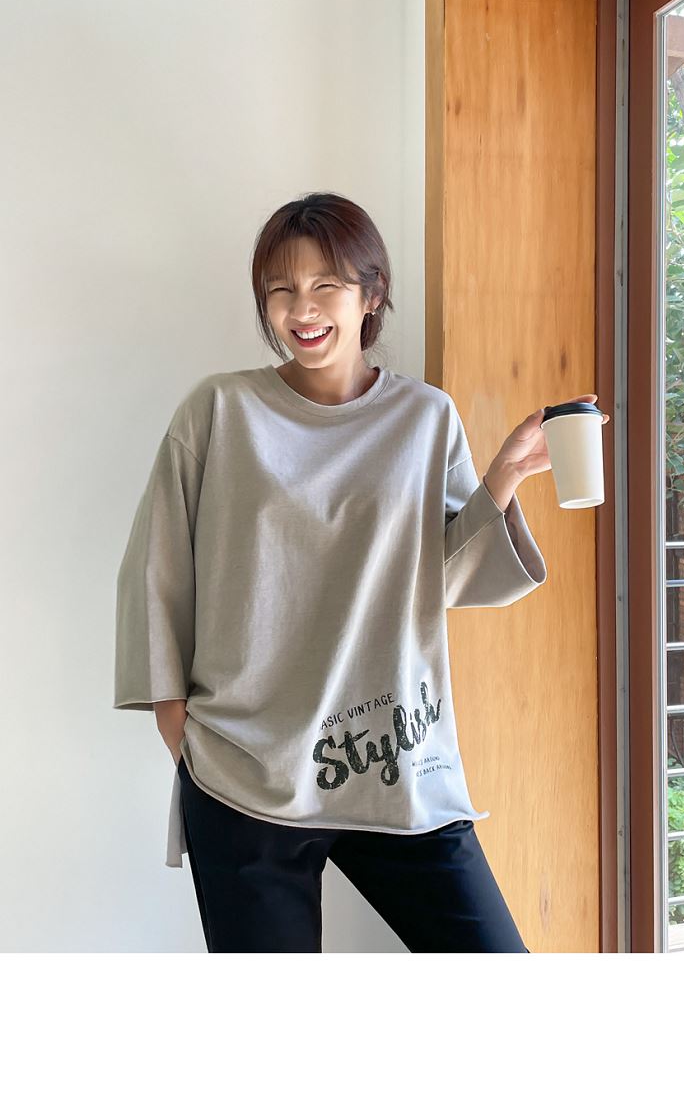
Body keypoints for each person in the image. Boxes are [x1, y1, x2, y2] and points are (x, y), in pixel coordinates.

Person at [113, 190, 609, 953]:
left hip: (397, 761)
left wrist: (505, 474)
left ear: (370, 295)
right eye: (281, 290)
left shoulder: (425, 417)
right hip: (247, 773)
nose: (302, 309)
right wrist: (176, 726)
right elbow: (157, 571)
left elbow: (445, 580)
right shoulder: (219, 411)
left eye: (326, 286)